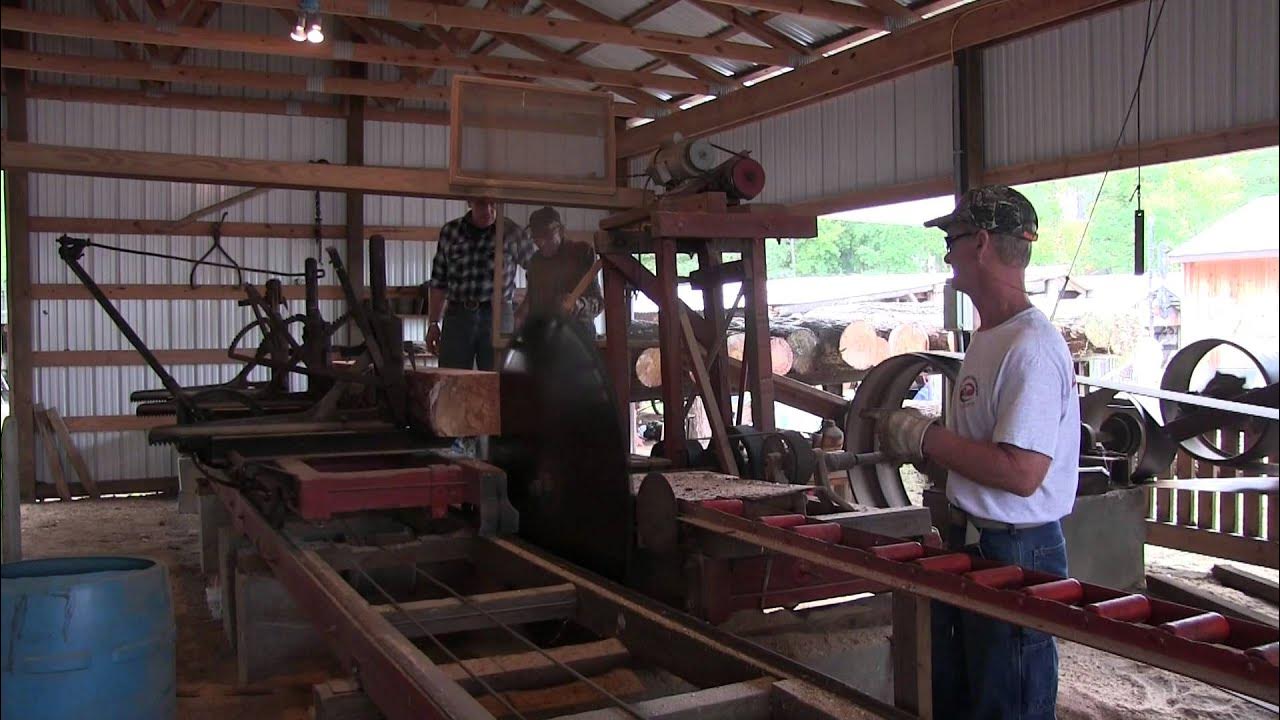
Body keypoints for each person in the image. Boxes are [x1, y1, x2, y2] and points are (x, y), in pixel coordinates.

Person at [866, 185, 1080, 720]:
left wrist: (924, 438)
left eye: (952, 241)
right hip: (976, 540)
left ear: (981, 243)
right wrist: (934, 449)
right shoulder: (991, 337)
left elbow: (1022, 472)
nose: (947, 257)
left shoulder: (1030, 347)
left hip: (1017, 549)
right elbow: (984, 446)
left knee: (1007, 705)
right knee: (962, 701)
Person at [426, 197, 535, 371]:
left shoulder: (512, 232)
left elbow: (538, 271)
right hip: (458, 315)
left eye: (493, 204)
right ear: (470, 202)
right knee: (452, 377)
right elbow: (439, 280)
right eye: (482, 204)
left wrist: (523, 310)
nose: (489, 210)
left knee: (499, 379)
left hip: (499, 314)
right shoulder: (451, 232)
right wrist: (433, 323)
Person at [515, 206, 603, 337]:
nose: (542, 242)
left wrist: (579, 305)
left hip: (578, 336)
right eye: (537, 237)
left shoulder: (582, 253)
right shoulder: (535, 262)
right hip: (545, 337)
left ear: (561, 231)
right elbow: (531, 300)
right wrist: (521, 314)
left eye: (547, 235)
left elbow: (598, 303)